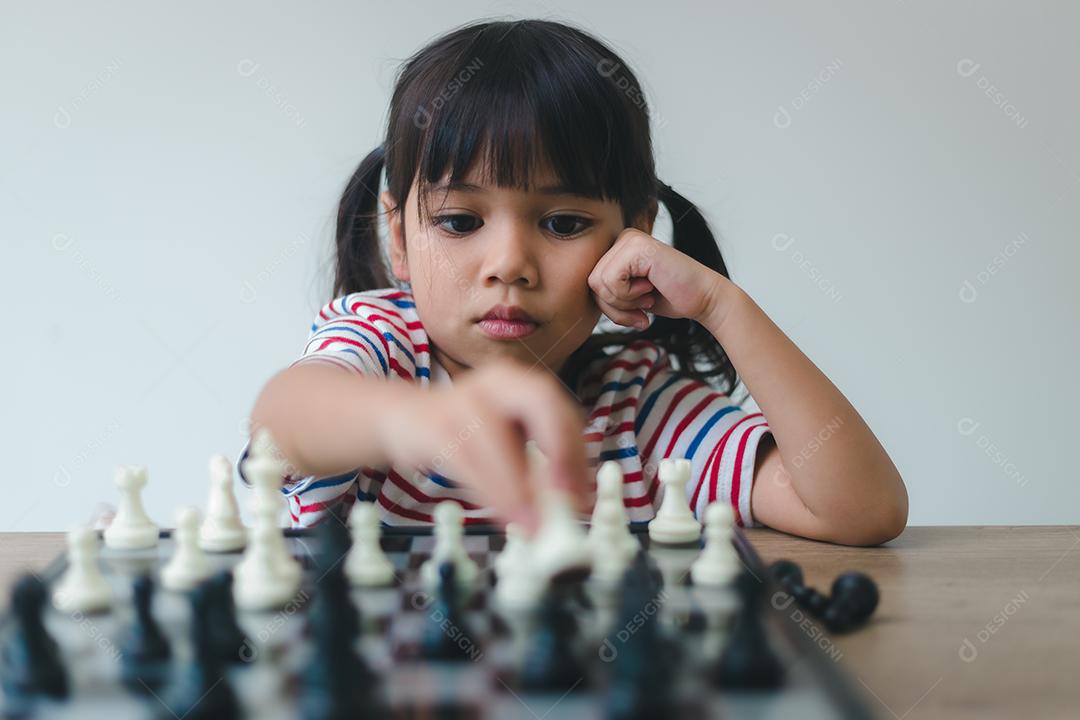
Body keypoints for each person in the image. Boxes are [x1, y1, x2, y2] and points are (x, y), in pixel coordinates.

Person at [242, 18, 908, 546]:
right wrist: (418, 420)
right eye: (459, 220)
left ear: (633, 239)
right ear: (399, 239)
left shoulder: (637, 407)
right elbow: (284, 423)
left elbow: (861, 511)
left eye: (562, 222)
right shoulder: (381, 348)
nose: (509, 263)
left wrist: (721, 306)